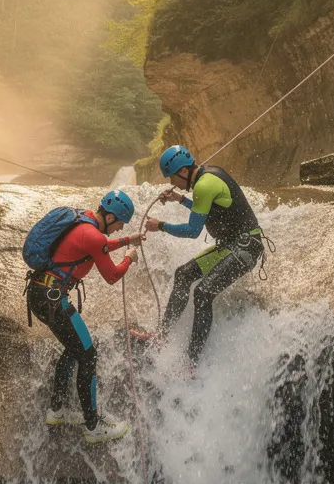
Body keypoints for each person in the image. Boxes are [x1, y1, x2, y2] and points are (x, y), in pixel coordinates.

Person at [24, 190, 143, 444]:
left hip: (41, 292)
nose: (120, 227)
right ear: (110, 217)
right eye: (120, 223)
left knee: (74, 349)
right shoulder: (93, 235)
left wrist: (125, 240)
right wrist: (129, 258)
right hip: (52, 298)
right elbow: (112, 275)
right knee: (88, 355)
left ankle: (57, 411)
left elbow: (96, 246)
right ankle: (93, 427)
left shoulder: (84, 221)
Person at [143, 145, 264, 368]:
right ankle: (163, 334)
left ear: (182, 172)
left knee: (203, 292)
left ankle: (192, 361)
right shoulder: (205, 181)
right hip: (233, 246)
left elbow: (192, 230)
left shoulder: (205, 184)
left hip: (247, 247)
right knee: (183, 274)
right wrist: (180, 199)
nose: (172, 184)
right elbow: (205, 207)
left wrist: (160, 225)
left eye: (172, 179)